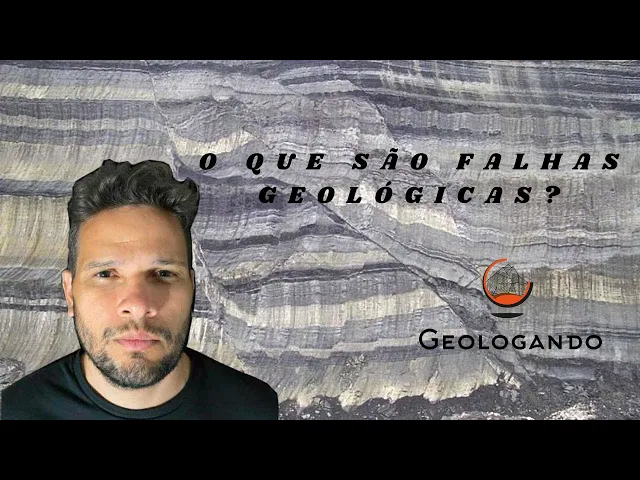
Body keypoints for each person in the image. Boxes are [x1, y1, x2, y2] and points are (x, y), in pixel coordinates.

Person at [0, 159, 279, 420]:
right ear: (70, 293)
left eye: (163, 274)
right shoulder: (14, 411)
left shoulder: (254, 407)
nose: (138, 305)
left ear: (192, 289)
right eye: (106, 274)